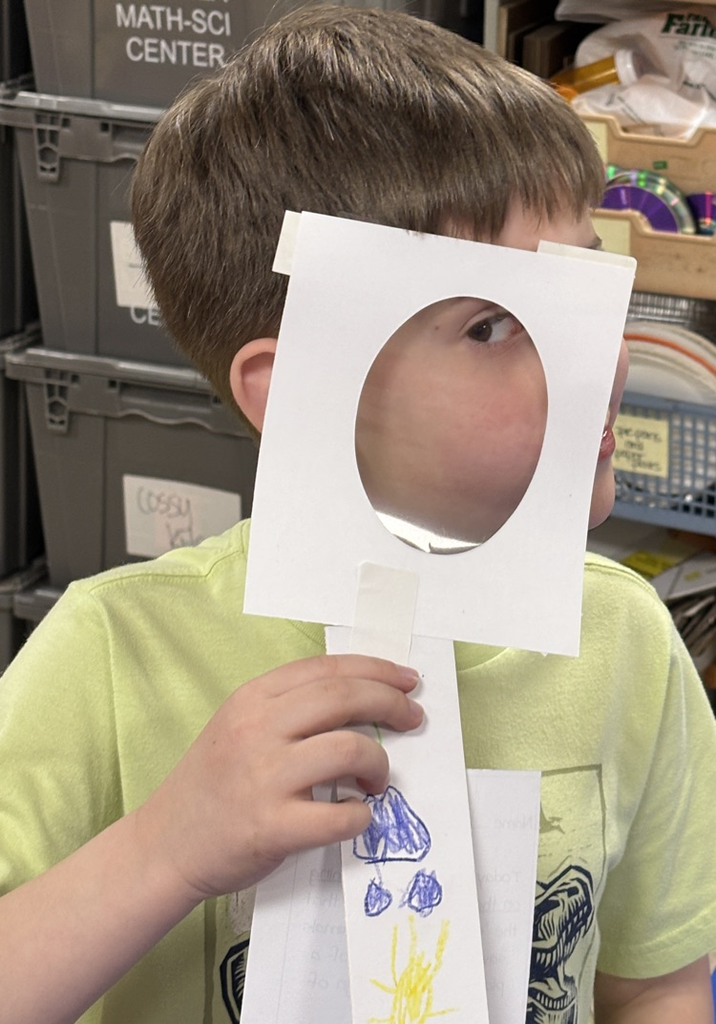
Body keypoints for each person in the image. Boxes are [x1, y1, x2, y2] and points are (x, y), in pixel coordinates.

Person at [1, 6, 715, 1024]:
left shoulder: (625, 643)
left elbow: (654, 982)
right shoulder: (110, 656)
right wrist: (163, 847)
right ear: (305, 392)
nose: (595, 352)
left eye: (585, 286)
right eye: (493, 322)